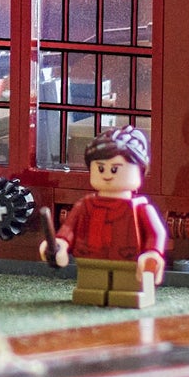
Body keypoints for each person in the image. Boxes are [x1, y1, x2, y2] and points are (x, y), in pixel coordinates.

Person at [42, 124, 168, 309]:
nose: (107, 175)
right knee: (91, 286)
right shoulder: (85, 205)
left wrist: (152, 253)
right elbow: (69, 229)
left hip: (129, 262)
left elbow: (156, 233)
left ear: (140, 170)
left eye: (115, 169)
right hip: (90, 259)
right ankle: (91, 293)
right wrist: (60, 244)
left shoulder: (140, 208)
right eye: (100, 168)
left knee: (127, 288)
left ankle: (131, 295)